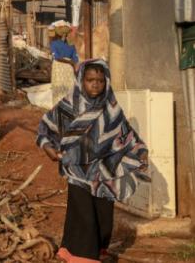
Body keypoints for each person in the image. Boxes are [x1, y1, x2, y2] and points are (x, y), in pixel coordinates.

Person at [37, 60, 149, 262]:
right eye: (90, 80)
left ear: (106, 81)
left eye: (100, 80)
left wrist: (139, 151)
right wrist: (48, 147)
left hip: (105, 172)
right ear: (81, 81)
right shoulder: (69, 106)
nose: (95, 85)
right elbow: (46, 128)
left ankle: (83, 249)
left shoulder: (112, 109)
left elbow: (126, 135)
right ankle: (83, 256)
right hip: (77, 170)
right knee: (84, 215)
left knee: (103, 218)